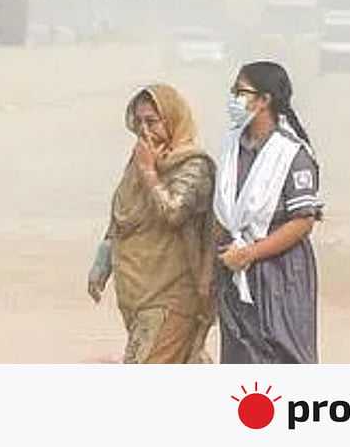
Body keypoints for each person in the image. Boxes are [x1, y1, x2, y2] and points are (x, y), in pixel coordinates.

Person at [87, 85, 218, 363]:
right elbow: (122, 215)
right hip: (139, 294)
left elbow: (174, 213)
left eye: (152, 122)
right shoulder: (139, 162)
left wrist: (149, 172)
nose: (144, 131)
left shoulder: (192, 165)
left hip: (171, 295)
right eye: (139, 122)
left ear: (172, 120)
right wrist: (103, 262)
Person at [214, 61, 323, 364]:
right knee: (240, 355)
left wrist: (251, 253)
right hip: (234, 266)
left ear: (264, 100)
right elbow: (225, 211)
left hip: (279, 269)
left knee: (284, 353)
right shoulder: (232, 146)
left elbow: (303, 221)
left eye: (241, 92)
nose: (234, 98)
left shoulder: (291, 153)